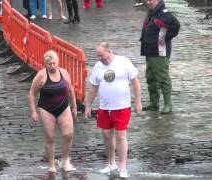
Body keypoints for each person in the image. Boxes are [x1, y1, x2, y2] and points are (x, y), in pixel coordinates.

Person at [84, 42, 142, 178]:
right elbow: (93, 88)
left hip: (122, 106)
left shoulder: (124, 62)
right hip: (105, 107)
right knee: (106, 134)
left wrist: (138, 101)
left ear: (109, 52)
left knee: (121, 135)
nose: (100, 58)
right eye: (98, 56)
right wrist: (87, 105)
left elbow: (135, 82)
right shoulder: (98, 66)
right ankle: (111, 163)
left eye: (102, 55)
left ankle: (123, 167)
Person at [28, 50, 77, 173]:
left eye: (54, 63)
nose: (53, 66)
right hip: (46, 109)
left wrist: (74, 107)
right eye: (50, 64)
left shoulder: (64, 73)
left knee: (68, 134)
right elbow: (32, 94)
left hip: (63, 106)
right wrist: (33, 112)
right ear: (45, 64)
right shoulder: (41, 75)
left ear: (58, 63)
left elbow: (70, 91)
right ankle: (51, 164)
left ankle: (65, 161)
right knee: (50, 138)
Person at [140, 0, 180, 114]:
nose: (148, 2)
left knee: (163, 78)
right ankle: (154, 104)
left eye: (150, 0)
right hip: (150, 50)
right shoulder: (152, 12)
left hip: (160, 52)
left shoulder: (164, 13)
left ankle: (168, 104)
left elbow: (176, 25)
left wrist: (166, 37)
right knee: (150, 78)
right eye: (147, 0)